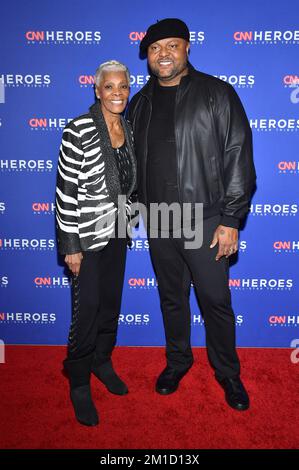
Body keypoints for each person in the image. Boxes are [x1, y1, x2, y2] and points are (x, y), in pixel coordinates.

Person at [128, 19, 256, 411]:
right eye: (154, 48)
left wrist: (231, 219)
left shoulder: (216, 93)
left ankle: (227, 372)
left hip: (205, 219)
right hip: (159, 218)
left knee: (215, 300)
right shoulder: (140, 102)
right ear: (147, 56)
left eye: (171, 45)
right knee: (172, 299)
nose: (162, 53)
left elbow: (238, 156)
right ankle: (178, 361)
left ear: (187, 48)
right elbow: (129, 163)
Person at [56, 60, 137, 426]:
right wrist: (70, 244)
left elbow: (128, 181)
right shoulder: (79, 129)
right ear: (97, 89)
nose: (117, 92)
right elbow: (65, 191)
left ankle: (102, 362)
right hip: (86, 238)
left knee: (110, 306)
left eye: (123, 86)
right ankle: (78, 382)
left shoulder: (127, 127)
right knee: (85, 312)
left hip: (118, 232)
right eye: (110, 87)